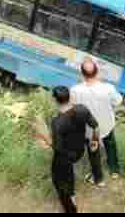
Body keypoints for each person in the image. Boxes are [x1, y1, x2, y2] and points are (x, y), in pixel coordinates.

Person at [37, 86, 101, 214]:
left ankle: (71, 208)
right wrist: (94, 140)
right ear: (70, 97)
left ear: (55, 100)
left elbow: (57, 148)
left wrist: (44, 137)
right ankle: (72, 194)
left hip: (66, 156)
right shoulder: (82, 109)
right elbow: (96, 127)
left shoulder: (57, 122)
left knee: (58, 180)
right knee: (68, 172)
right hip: (80, 151)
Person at [70, 58, 124, 188]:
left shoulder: (75, 90)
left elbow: (74, 109)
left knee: (93, 152)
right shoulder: (108, 88)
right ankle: (114, 170)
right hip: (106, 125)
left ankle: (99, 179)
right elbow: (118, 102)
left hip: (89, 130)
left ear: (82, 74)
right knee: (110, 145)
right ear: (97, 72)